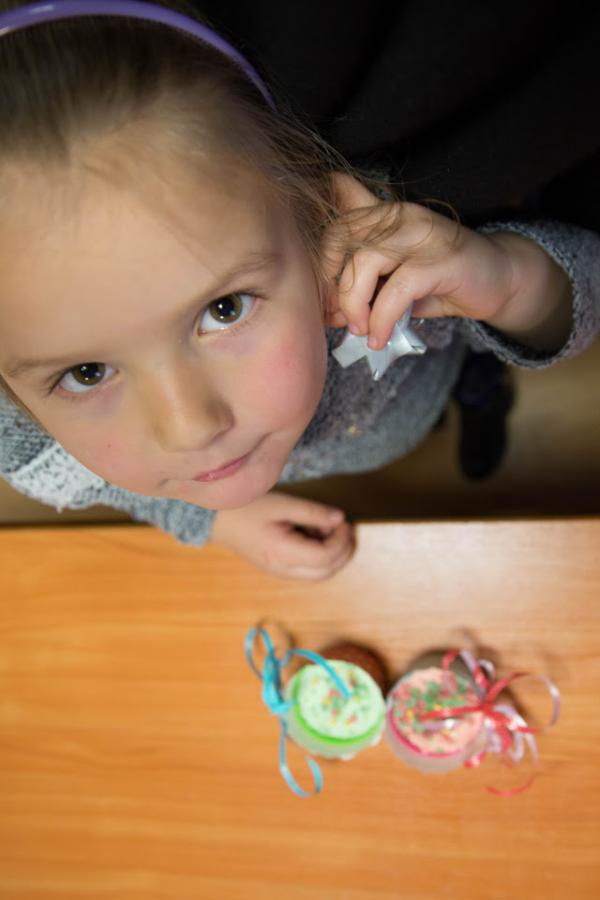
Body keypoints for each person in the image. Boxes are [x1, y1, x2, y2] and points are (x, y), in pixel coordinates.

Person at [0, 0, 598, 580]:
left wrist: (506, 283)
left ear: (318, 217)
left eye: (224, 309)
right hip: (380, 433)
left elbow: (580, 300)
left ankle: (477, 388)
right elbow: (68, 476)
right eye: (85, 373)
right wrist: (214, 519)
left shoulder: (378, 272)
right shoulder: (21, 434)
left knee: (475, 361)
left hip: (424, 379)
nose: (191, 429)